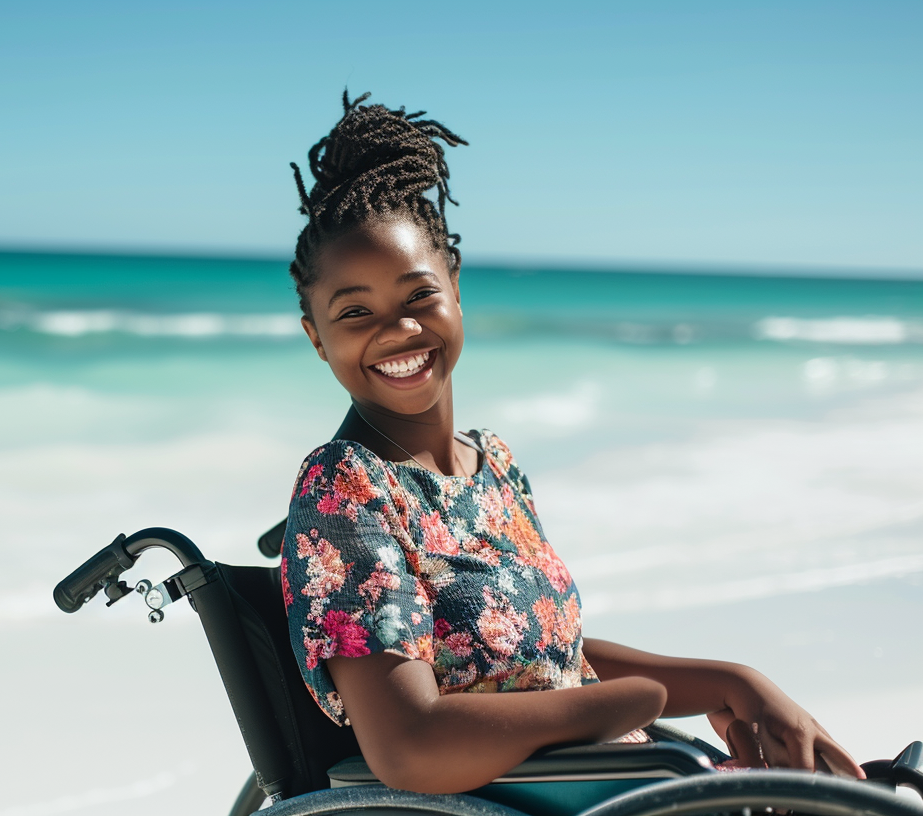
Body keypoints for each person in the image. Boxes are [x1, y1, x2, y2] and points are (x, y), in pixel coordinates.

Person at [280, 91, 863, 795]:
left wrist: (732, 681)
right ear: (317, 336)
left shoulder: (492, 466)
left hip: (618, 784)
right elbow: (410, 747)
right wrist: (628, 705)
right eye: (356, 312)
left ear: (456, 290)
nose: (399, 330)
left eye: (419, 297)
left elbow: (555, 661)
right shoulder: (345, 487)